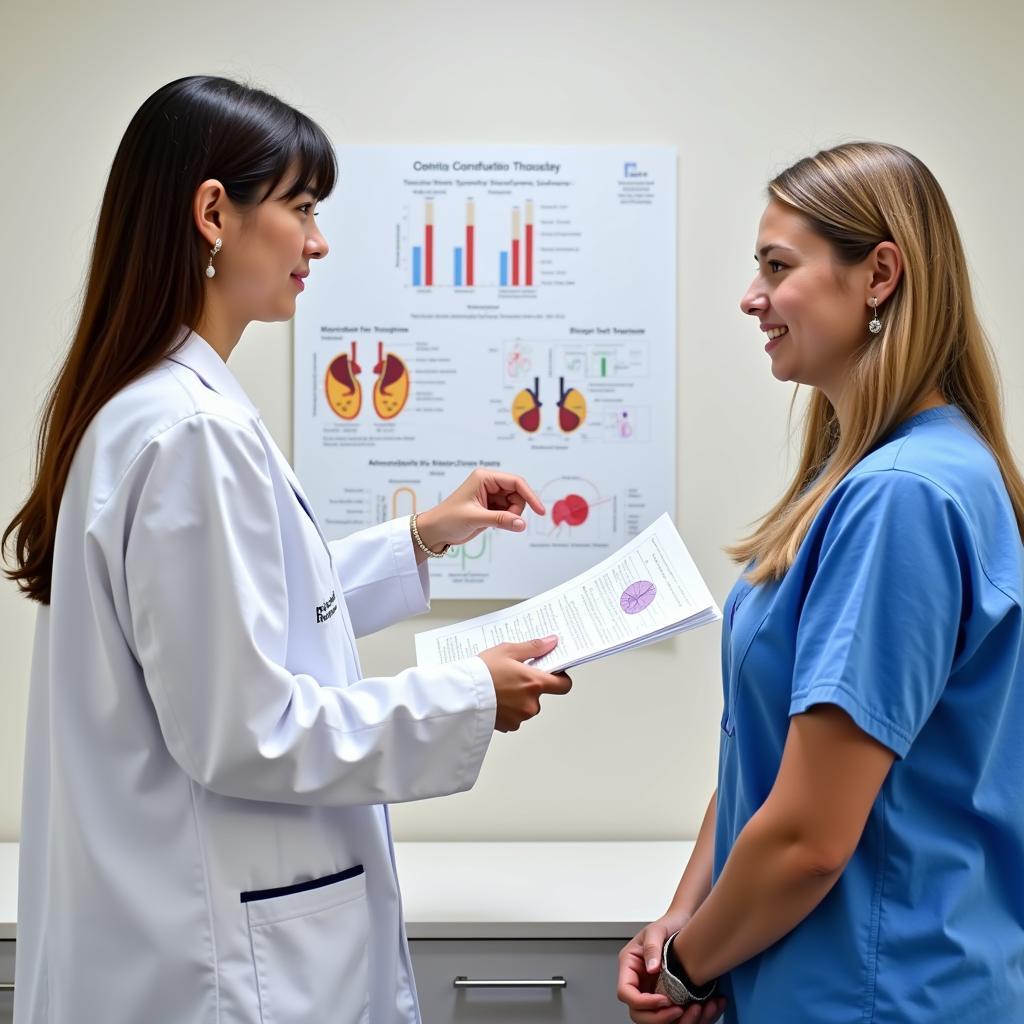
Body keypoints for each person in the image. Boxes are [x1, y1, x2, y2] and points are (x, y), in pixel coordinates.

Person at [2, 76, 572, 1024]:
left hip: (181, 936)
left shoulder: (154, 405)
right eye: (302, 209)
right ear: (214, 212)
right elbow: (247, 727)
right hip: (218, 968)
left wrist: (421, 536)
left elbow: (238, 614)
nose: (318, 242)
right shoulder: (190, 430)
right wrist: (470, 695)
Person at [617, 142, 1024, 1023]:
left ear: (878, 274)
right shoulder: (866, 478)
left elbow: (807, 837)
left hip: (880, 990)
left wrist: (690, 964)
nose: (751, 297)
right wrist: (688, 913)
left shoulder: (900, 500)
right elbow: (767, 757)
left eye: (777, 266)